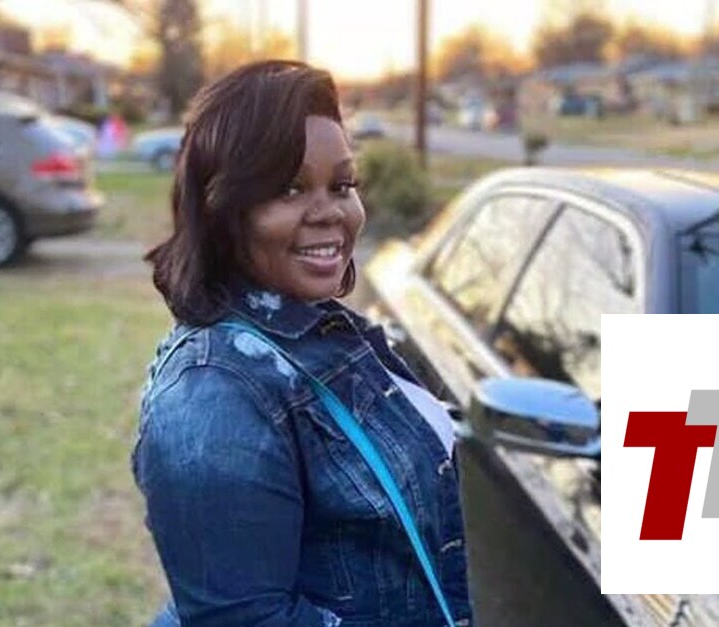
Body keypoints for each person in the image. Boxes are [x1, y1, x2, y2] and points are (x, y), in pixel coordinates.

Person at [132, 60, 474, 627]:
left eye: (342, 186)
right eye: (289, 189)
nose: (330, 213)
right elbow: (243, 619)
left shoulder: (314, 330)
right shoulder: (213, 392)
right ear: (224, 207)